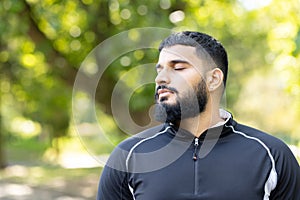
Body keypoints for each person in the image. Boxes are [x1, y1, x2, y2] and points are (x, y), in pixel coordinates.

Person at [97, 31, 300, 199]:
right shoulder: (127, 157)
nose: (161, 78)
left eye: (177, 68)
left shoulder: (272, 156)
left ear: (213, 79)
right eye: (159, 70)